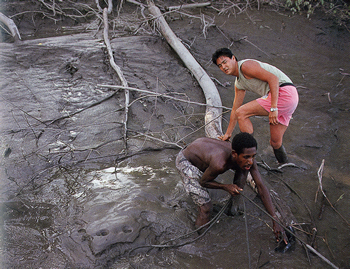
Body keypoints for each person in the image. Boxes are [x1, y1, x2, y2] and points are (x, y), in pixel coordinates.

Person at [175, 132, 287, 243]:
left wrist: (274, 218)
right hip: (186, 160)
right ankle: (199, 240)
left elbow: (261, 187)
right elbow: (203, 182)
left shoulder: (247, 157)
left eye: (253, 156)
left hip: (202, 152)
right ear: (234, 154)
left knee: (243, 169)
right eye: (247, 157)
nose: (251, 161)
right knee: (206, 208)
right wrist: (225, 187)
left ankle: (233, 209)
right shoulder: (220, 163)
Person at [212, 48, 299, 164]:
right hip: (290, 98)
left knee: (242, 113)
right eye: (220, 66)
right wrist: (227, 134)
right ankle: (284, 164)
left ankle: (248, 154)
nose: (224, 67)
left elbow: (273, 78)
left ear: (233, 58)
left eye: (225, 62)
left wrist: (274, 108)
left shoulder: (245, 66)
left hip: (284, 93)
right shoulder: (239, 83)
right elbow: (234, 109)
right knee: (275, 142)